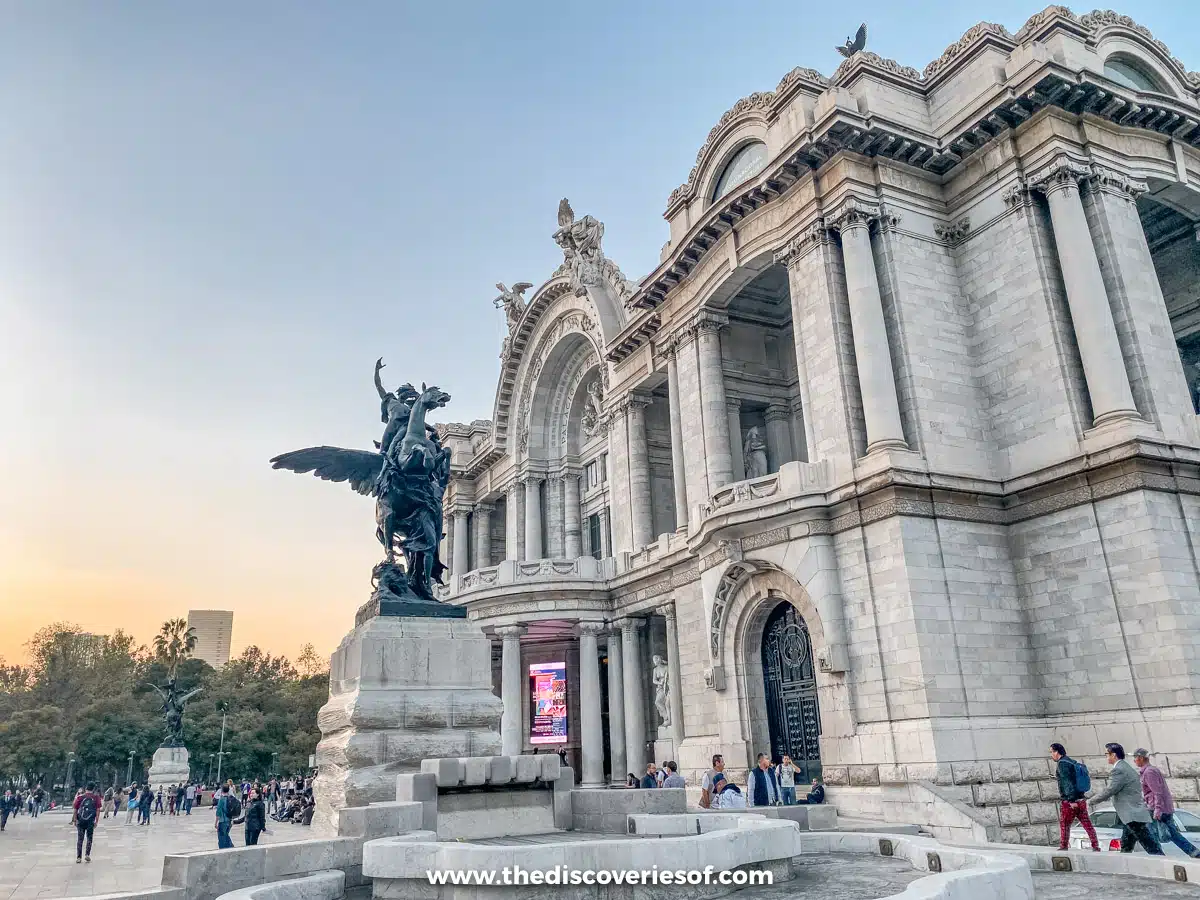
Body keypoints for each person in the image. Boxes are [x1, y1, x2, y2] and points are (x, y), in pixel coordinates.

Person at [1089, 742, 1163, 855]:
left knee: (1151, 846)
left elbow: (1110, 790)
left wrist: (1090, 801)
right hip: (1131, 814)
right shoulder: (1125, 767)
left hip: (1132, 814)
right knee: (1126, 846)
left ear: (1113, 755)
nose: (1106, 757)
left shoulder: (1119, 770)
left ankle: (1163, 865)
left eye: (1106, 754)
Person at [1134, 748, 1200, 857]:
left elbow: (1157, 792)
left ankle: (1158, 857)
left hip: (1156, 809)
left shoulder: (1149, 772)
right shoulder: (1151, 770)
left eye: (1135, 758)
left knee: (1151, 835)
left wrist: (1157, 810)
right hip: (1162, 808)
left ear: (1141, 758)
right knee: (1174, 835)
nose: (1134, 761)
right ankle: (1195, 854)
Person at [1049, 742, 1100, 851]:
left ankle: (1063, 846)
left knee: (1065, 824)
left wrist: (1071, 800)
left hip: (1070, 802)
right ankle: (1095, 845)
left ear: (1057, 752)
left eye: (1052, 752)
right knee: (1087, 824)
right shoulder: (1071, 762)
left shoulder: (1062, 764)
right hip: (1081, 799)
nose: (1051, 755)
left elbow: (1067, 782)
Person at [72, 782, 103, 864]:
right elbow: (98, 810)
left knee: (80, 838)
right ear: (93, 789)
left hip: (81, 820)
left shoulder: (80, 797)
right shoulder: (96, 798)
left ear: (86, 789)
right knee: (89, 837)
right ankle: (87, 855)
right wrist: (96, 821)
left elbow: (75, 809)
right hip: (90, 821)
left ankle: (78, 857)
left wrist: (75, 820)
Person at [215, 785, 236, 849]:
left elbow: (218, 812)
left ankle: (223, 850)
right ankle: (230, 847)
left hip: (222, 821)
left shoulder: (221, 799)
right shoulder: (231, 799)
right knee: (226, 835)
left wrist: (216, 822)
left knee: (221, 838)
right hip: (229, 821)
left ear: (222, 790)